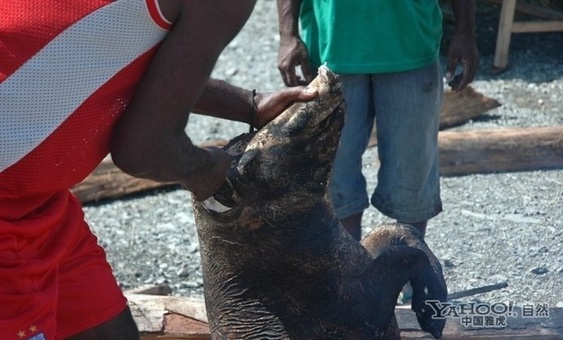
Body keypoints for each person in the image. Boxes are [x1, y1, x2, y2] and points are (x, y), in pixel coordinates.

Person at [1, 0, 317, 339]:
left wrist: (249, 105)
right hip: (10, 206)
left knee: (109, 329)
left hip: (35, 200)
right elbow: (144, 150)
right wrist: (211, 170)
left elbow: (112, 58)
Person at [277, 0, 479, 242]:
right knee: (333, 175)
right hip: (330, 49)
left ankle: (407, 267)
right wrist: (287, 35)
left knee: (411, 173)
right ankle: (347, 270)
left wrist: (465, 32)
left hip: (411, 44)